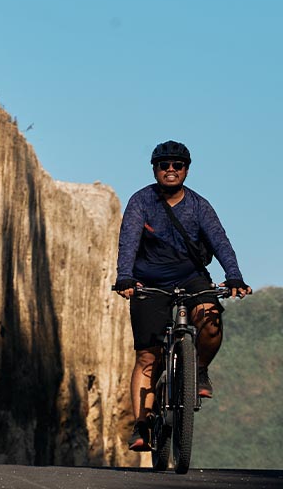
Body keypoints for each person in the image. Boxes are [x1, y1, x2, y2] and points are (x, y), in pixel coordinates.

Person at [114, 140, 251, 451]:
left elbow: (220, 242)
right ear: (155, 169)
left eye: (177, 165)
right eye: (164, 165)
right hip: (148, 282)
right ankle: (142, 425)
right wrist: (125, 277)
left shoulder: (199, 206)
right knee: (148, 357)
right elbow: (129, 241)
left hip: (192, 278)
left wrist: (234, 276)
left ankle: (199, 369)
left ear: (187, 170)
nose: (171, 170)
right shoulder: (141, 201)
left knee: (211, 319)